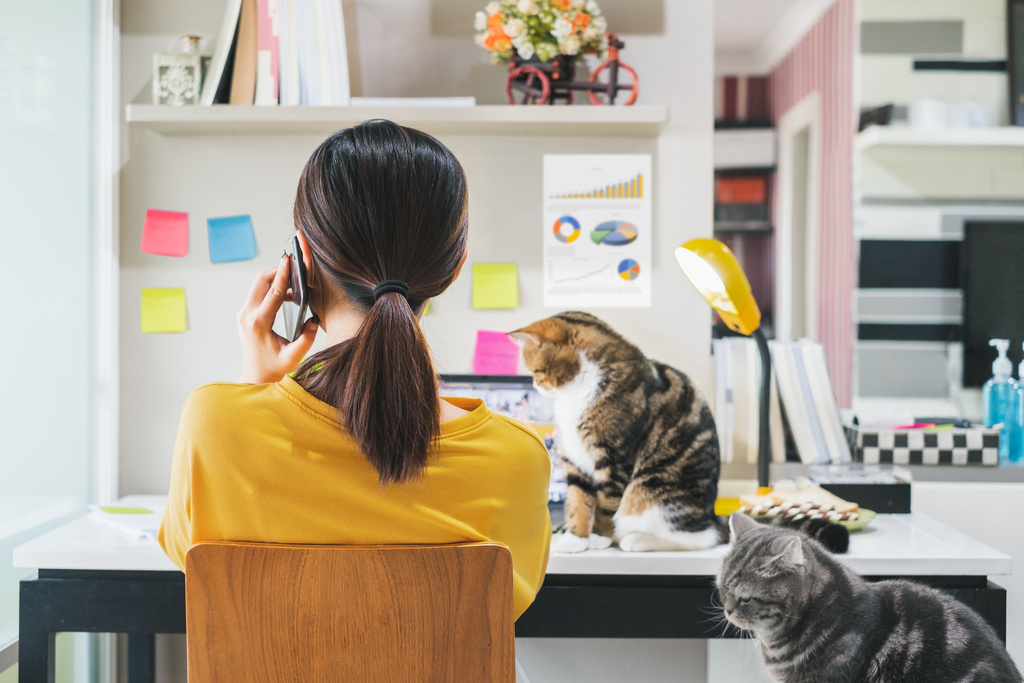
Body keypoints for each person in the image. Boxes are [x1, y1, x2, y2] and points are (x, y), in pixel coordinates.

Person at [158, 120, 552, 619]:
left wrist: (254, 389)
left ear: (299, 263)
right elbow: (508, 607)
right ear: (454, 269)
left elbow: (191, 558)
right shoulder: (518, 458)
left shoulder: (212, 423)